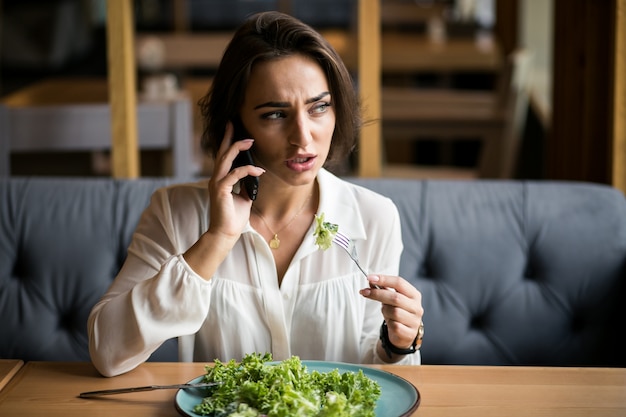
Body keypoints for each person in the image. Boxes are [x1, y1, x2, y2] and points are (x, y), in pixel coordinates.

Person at [88, 11, 424, 377]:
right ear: (236, 125)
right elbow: (108, 352)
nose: (303, 136)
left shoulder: (374, 217)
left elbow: (373, 375)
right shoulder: (174, 211)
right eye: (275, 115)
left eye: (319, 107)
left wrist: (396, 345)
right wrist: (217, 239)